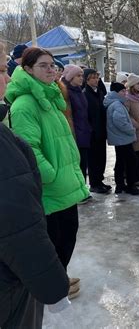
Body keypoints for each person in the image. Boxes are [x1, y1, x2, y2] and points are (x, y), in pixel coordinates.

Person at [5, 47, 89, 299]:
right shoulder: (24, 105)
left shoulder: (50, 98)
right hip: (50, 188)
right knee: (54, 241)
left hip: (64, 183)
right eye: (43, 65)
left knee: (67, 235)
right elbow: (29, 149)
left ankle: (59, 275)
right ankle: (54, 283)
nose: (51, 69)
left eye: (53, 65)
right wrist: (50, 176)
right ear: (27, 69)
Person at [104, 82, 139, 195]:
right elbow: (119, 121)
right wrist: (131, 130)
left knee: (121, 161)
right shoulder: (117, 104)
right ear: (116, 92)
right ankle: (131, 185)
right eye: (122, 91)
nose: (125, 93)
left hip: (118, 138)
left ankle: (120, 185)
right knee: (131, 161)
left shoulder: (115, 103)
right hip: (123, 138)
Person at [62, 65, 92, 204]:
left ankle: (83, 189)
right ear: (70, 77)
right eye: (78, 76)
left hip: (84, 131)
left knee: (83, 163)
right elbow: (68, 116)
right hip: (75, 134)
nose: (82, 78)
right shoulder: (67, 92)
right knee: (77, 164)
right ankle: (78, 192)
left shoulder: (79, 90)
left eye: (81, 75)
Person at [83, 68, 111, 193]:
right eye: (92, 78)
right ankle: (94, 184)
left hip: (101, 131)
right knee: (93, 160)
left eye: (97, 77)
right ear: (87, 80)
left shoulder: (99, 92)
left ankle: (100, 180)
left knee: (102, 158)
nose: (96, 80)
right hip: (92, 133)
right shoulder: (85, 94)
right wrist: (91, 130)